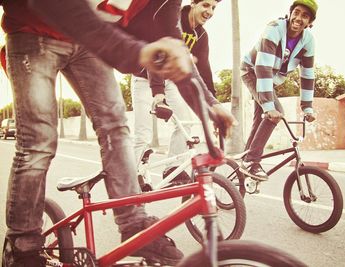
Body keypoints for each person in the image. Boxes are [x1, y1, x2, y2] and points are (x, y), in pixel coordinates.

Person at [1, 0, 235, 266]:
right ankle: (22, 245)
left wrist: (210, 104)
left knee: (116, 128)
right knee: (38, 142)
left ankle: (134, 224)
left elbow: (171, 45)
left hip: (89, 43)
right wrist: (136, 52)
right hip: (32, 28)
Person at [132, 0, 220, 164]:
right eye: (206, 5)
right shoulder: (173, 19)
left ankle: (172, 169)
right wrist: (158, 94)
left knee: (184, 124)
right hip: (144, 79)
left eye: (214, 8)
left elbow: (204, 70)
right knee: (142, 135)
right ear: (193, 3)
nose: (210, 12)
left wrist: (214, 106)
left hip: (170, 81)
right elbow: (158, 53)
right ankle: (132, 179)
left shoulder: (201, 35)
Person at [239, 0, 318, 181]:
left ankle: (246, 160)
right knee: (276, 112)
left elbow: (307, 76)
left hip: (269, 80)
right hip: (253, 71)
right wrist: (268, 105)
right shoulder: (274, 28)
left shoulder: (308, 42)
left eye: (305, 16)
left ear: (310, 22)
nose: (298, 18)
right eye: (296, 12)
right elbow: (263, 67)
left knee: (261, 119)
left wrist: (307, 107)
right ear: (290, 13)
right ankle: (251, 160)